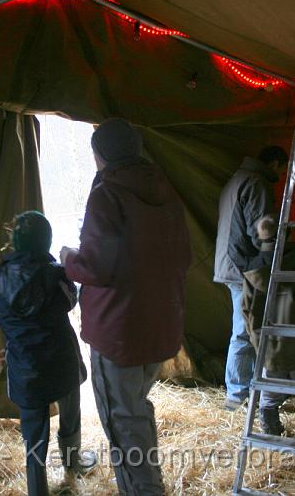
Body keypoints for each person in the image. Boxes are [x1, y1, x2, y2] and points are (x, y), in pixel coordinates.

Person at [60, 118, 191, 496]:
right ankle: (150, 485)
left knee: (122, 419)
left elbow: (96, 266)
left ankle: (144, 491)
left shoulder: (108, 192)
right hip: (161, 321)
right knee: (136, 410)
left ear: (100, 154)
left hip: (117, 330)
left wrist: (70, 257)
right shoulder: (165, 188)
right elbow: (183, 255)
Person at [0, 211, 95, 496]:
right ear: (45, 241)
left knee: (33, 435)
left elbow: (1, 316)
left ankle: (38, 489)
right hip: (60, 358)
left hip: (25, 366)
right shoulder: (55, 274)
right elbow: (70, 302)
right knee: (70, 411)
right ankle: (73, 464)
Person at [213, 145, 288, 411]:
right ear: (276, 164)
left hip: (230, 264)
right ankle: (237, 395)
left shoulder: (236, 179)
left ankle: (246, 390)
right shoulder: (256, 183)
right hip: (243, 268)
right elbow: (259, 228)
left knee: (245, 329)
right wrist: (273, 256)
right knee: (246, 331)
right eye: (282, 168)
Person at [242, 215, 295, 436]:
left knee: (270, 389)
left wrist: (254, 337)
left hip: (267, 342)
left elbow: (247, 310)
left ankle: (270, 429)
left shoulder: (252, 271)